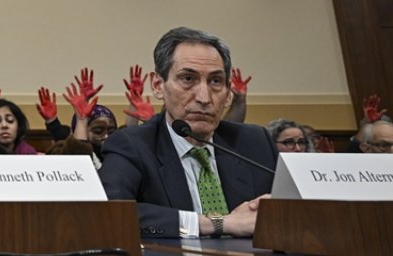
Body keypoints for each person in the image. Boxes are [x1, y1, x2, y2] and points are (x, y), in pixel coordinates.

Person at [99, 27, 276, 239]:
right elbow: (108, 211)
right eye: (188, 79)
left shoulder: (255, 142)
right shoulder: (133, 145)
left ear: (228, 93)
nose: (204, 97)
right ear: (158, 86)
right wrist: (218, 224)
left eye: (215, 81)